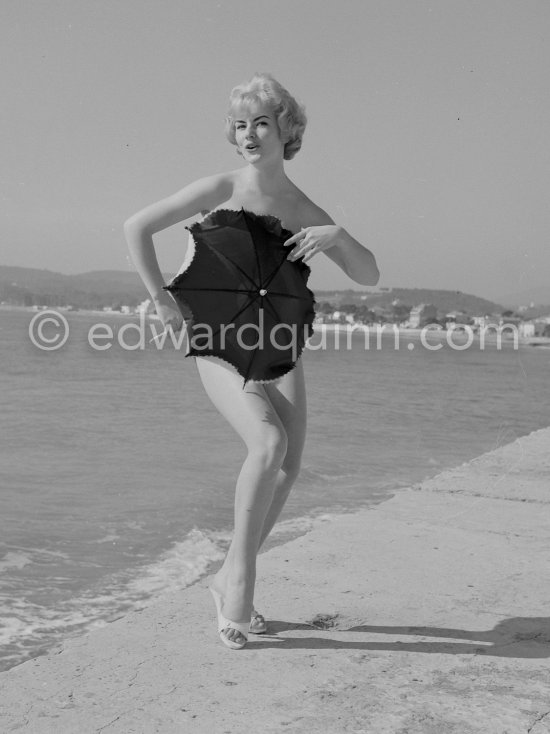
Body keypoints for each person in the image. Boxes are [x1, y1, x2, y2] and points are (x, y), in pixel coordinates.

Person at [124, 73, 379, 650]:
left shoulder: (303, 207)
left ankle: (226, 576)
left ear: (288, 130)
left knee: (287, 466)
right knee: (266, 445)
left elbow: (369, 275)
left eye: (262, 122)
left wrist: (335, 236)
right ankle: (239, 581)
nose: (249, 134)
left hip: (281, 345)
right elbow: (135, 226)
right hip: (216, 338)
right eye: (240, 124)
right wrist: (162, 303)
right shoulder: (220, 186)